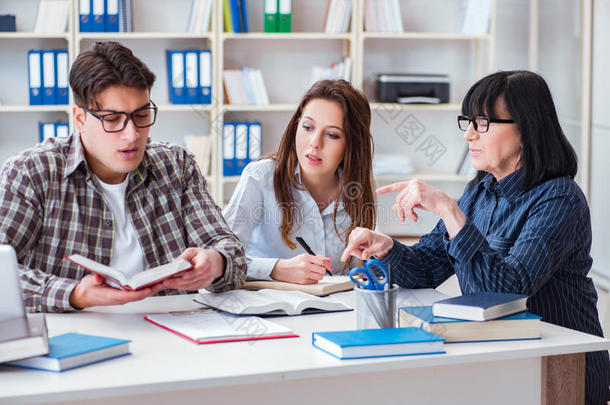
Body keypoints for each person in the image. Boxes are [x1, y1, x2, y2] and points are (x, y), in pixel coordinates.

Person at [341, 70, 609, 405]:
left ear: (525, 129)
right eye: (468, 121)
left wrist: (449, 211)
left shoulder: (559, 199)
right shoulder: (480, 190)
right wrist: (389, 248)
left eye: (482, 123)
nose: (468, 135)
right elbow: (428, 266)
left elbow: (503, 294)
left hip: (562, 371)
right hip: (503, 358)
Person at [0, 41, 247, 312]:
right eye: (113, 119)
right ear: (80, 119)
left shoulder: (177, 165)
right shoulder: (31, 173)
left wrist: (217, 262)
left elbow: (227, 247)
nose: (132, 135)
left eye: (141, 115)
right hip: (73, 336)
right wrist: (74, 293)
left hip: (172, 333)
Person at [223, 79, 375, 284]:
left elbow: (362, 272)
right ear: (296, 125)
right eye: (308, 127)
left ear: (352, 144)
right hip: (265, 310)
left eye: (332, 134)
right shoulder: (260, 177)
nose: (314, 143)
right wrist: (275, 269)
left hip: (335, 310)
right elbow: (221, 259)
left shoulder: (356, 191)